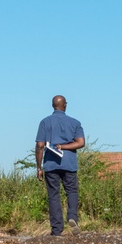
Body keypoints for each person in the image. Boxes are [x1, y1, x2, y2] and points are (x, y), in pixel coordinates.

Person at [35, 95, 85, 236]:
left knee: (54, 195)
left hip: (51, 163)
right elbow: (81, 142)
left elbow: (40, 145)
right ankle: (72, 217)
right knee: (72, 191)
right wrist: (64, 146)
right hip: (69, 163)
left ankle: (57, 230)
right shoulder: (75, 122)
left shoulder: (45, 122)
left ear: (53, 105)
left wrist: (39, 168)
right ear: (65, 105)